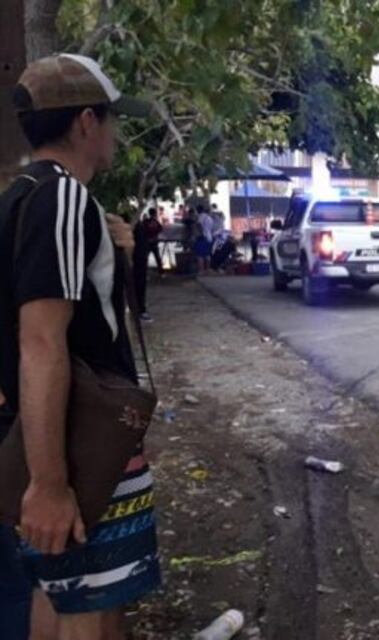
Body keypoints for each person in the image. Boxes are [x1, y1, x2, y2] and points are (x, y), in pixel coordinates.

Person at [0, 53, 161, 640]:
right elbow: (41, 342)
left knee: (63, 594)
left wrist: (113, 254)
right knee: (93, 607)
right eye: (111, 120)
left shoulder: (20, 195)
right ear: (86, 123)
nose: (115, 133)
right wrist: (50, 484)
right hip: (77, 445)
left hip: (46, 438)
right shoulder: (63, 199)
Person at [133, 208, 164, 322]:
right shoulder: (153, 222)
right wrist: (153, 236)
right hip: (152, 242)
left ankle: (160, 271)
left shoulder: (145, 223)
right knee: (156, 259)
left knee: (145, 259)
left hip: (146, 243)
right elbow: (160, 228)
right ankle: (161, 272)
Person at [194, 204, 214, 274]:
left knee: (200, 255)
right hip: (209, 237)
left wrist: (201, 233)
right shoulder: (209, 218)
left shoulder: (201, 216)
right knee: (207, 254)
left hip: (202, 237)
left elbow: (199, 224)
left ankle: (201, 270)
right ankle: (208, 269)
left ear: (198, 210)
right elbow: (211, 228)